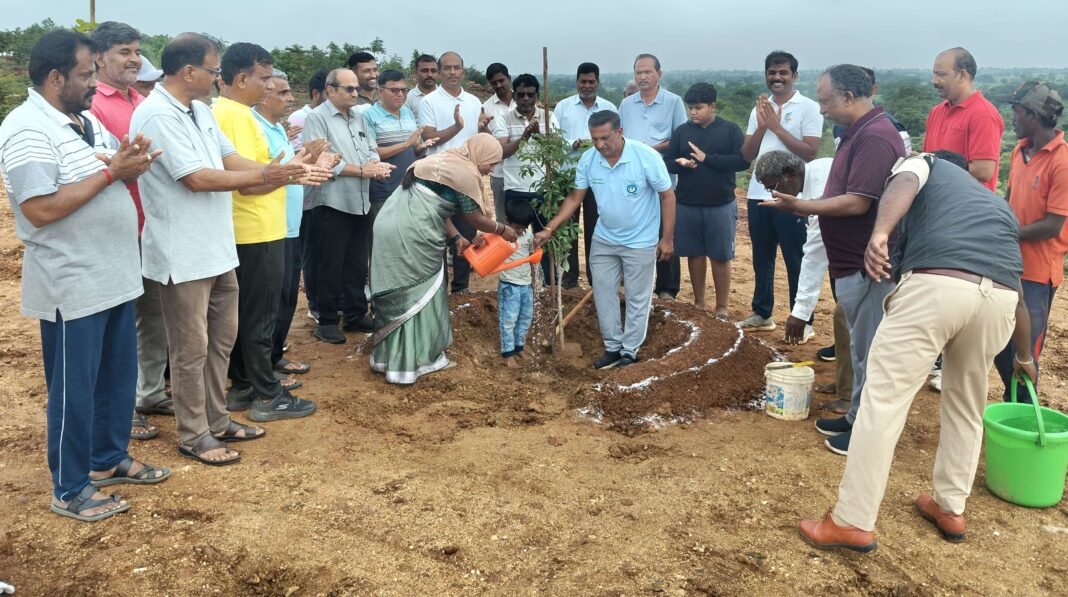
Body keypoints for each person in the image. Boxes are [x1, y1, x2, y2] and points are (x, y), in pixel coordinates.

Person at [798, 151, 1035, 553]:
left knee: (883, 400)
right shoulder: (997, 206)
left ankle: (851, 521)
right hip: (999, 302)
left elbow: (906, 181)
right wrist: (1024, 357)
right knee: (967, 405)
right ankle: (950, 506)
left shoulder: (926, 163)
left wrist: (879, 233)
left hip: (938, 286)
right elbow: (1019, 291)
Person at [1, 29, 169, 522]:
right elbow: (39, 209)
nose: (95, 82)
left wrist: (131, 163)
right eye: (85, 74)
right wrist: (113, 173)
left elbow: (109, 169)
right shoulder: (27, 129)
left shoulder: (85, 120)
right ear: (55, 78)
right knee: (74, 390)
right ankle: (70, 486)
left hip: (113, 274)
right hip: (72, 283)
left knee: (116, 378)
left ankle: (107, 458)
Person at [131, 33, 323, 462]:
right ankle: (193, 433)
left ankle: (217, 420)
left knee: (220, 342)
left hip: (217, 248)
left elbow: (230, 160)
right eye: (213, 70)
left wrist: (284, 170)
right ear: (189, 72)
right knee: (190, 349)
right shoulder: (156, 114)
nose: (218, 78)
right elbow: (196, 177)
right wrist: (268, 176)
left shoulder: (200, 110)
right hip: (183, 253)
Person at [762, 64, 905, 455]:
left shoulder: (874, 137)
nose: (822, 110)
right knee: (859, 349)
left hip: (868, 264)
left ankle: (866, 434)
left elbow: (858, 203)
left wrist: (801, 206)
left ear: (848, 97)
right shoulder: (857, 133)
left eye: (825, 101)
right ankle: (855, 415)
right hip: (853, 265)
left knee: (871, 352)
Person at [212, 43, 318, 420]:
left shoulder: (229, 112)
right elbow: (251, 182)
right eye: (264, 78)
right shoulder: (237, 116)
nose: (268, 85)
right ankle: (267, 394)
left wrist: (291, 170)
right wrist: (293, 173)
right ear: (242, 79)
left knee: (247, 313)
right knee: (261, 315)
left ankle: (243, 384)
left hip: (252, 226)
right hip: (257, 227)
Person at [369, 134, 516, 384]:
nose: (492, 169)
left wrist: (457, 237)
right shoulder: (464, 173)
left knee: (400, 287)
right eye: (491, 163)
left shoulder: (442, 162)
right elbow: (475, 219)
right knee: (419, 290)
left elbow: (435, 205)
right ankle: (413, 362)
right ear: (480, 155)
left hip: (389, 223)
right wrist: (503, 230)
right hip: (413, 233)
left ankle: (386, 358)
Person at [535, 111, 676, 369]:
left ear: (619, 132)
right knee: (603, 293)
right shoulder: (589, 160)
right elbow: (574, 198)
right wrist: (549, 228)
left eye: (605, 138)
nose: (600, 145)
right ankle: (612, 347)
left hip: (640, 241)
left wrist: (666, 239)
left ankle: (629, 352)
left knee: (637, 297)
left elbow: (667, 196)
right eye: (595, 139)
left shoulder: (646, 157)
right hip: (604, 239)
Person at [88, 21, 171, 443]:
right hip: (116, 228)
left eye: (137, 51)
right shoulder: (93, 105)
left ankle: (150, 393)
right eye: (125, 51)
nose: (135, 59)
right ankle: (124, 406)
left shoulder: (142, 101)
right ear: (99, 57)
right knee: (120, 324)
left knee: (153, 316)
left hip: (150, 223)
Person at [302, 68, 395, 344]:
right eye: (349, 89)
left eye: (356, 88)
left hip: (360, 200)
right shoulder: (317, 119)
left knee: (356, 263)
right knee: (329, 264)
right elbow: (325, 161)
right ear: (330, 90)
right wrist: (364, 171)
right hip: (332, 202)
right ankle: (327, 320)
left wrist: (374, 165)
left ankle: (355, 314)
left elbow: (371, 149)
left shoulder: (359, 117)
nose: (356, 93)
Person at [739, 51, 824, 333]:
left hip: (793, 195)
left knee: (795, 257)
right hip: (758, 192)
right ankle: (762, 312)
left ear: (794, 76)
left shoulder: (809, 107)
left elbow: (809, 152)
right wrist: (763, 126)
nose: (777, 77)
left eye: (783, 73)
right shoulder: (759, 110)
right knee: (762, 257)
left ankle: (803, 320)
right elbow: (747, 154)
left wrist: (777, 128)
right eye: (772, 73)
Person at [993, 82, 1067, 405]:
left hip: (1037, 272)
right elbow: (1009, 202)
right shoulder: (1018, 151)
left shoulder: (1062, 161)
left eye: (1017, 110)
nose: (1012, 116)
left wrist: (1008, 233)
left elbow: (1053, 225)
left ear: (1034, 116)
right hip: (1009, 262)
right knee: (998, 344)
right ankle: (1013, 402)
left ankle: (1022, 414)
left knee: (1025, 354)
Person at [253, 68, 327, 385]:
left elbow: (287, 169)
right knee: (267, 303)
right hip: (269, 227)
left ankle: (275, 355)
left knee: (286, 297)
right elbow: (264, 175)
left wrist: (310, 159)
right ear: (262, 93)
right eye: (282, 92)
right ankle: (261, 371)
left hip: (289, 225)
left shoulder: (276, 128)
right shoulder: (255, 127)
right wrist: (305, 161)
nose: (290, 98)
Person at [754, 152, 840, 411]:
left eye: (773, 186)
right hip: (846, 254)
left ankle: (854, 390)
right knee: (846, 312)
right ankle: (847, 379)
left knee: (857, 318)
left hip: (872, 255)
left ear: (790, 174)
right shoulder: (812, 180)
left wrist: (801, 312)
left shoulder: (823, 182)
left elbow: (814, 252)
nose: (773, 194)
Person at [664, 83, 748, 316]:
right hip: (687, 203)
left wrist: (707, 158)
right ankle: (699, 303)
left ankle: (722, 307)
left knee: (720, 255)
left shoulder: (730, 130)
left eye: (698, 108)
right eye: (690, 108)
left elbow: (742, 162)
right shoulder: (682, 131)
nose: (693, 112)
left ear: (713, 106)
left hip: (720, 204)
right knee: (694, 253)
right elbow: (667, 161)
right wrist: (680, 163)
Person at [618, 53, 686, 300]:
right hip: (632, 179)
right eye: (638, 72)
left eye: (647, 72)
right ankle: (636, 285)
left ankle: (667, 288)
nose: (643, 77)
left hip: (662, 177)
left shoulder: (673, 102)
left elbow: (679, 139)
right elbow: (619, 137)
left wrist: (649, 149)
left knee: (664, 231)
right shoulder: (627, 105)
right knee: (634, 231)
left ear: (659, 73)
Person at [418, 51, 483, 294]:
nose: (452, 72)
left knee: (467, 232)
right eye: (447, 68)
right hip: (439, 179)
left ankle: (461, 288)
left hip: (467, 179)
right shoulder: (429, 102)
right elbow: (429, 137)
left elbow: (477, 140)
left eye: (457, 67)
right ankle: (439, 291)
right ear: (439, 72)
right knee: (439, 236)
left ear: (463, 71)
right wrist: (456, 127)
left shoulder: (474, 102)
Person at [491, 73, 560, 284]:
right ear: (515, 96)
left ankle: (547, 283)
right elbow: (501, 151)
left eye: (530, 94)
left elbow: (557, 149)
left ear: (537, 95)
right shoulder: (504, 119)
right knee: (515, 240)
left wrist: (538, 136)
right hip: (515, 189)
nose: (526, 99)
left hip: (542, 189)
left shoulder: (549, 117)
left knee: (543, 238)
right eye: (521, 94)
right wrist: (524, 137)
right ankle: (516, 281)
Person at [553, 62, 617, 288]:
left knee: (596, 229)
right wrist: (573, 144)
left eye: (591, 82)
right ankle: (569, 279)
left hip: (599, 178)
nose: (587, 86)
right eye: (583, 81)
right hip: (568, 176)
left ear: (598, 82)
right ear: (577, 81)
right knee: (567, 229)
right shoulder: (563, 107)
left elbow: (617, 140)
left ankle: (595, 277)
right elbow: (554, 138)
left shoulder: (609, 108)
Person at [924, 48, 1004, 191]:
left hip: (967, 202)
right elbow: (928, 157)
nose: (934, 81)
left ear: (962, 75)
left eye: (941, 75)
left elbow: (984, 171)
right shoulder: (936, 112)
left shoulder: (983, 114)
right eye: (934, 74)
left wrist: (935, 163)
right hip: (937, 200)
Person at [364, 69, 435, 220]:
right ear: (380, 91)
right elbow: (371, 153)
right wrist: (406, 144)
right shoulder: (368, 116)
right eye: (394, 90)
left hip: (410, 186)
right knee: (385, 231)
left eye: (404, 90)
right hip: (384, 190)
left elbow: (414, 146)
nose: (401, 94)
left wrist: (420, 147)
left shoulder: (407, 112)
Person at [498, 199, 537, 369]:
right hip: (509, 285)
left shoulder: (528, 236)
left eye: (524, 228)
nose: (520, 231)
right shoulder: (501, 236)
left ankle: (519, 347)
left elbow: (531, 259)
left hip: (525, 285)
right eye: (517, 227)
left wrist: (533, 281)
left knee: (525, 317)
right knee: (509, 320)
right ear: (507, 221)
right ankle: (508, 354)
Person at [481, 63, 516, 222]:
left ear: (509, 78)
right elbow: (487, 143)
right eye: (494, 83)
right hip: (499, 172)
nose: (499, 85)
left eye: (501, 80)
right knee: (502, 219)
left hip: (525, 170)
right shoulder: (485, 108)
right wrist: (484, 128)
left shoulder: (524, 101)